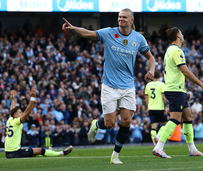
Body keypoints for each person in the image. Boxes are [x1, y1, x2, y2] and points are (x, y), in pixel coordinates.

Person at [62, 8, 155, 164]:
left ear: (132, 20)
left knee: (126, 121)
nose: (121, 19)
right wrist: (73, 28)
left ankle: (115, 156)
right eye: (119, 17)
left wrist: (151, 70)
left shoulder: (138, 38)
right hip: (110, 85)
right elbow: (87, 33)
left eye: (124, 17)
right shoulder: (109, 33)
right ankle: (96, 124)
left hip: (127, 86)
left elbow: (150, 57)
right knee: (110, 123)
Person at [153, 27, 203, 158]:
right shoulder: (176, 51)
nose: (182, 34)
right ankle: (159, 147)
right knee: (175, 119)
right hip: (175, 90)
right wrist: (201, 83)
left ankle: (192, 149)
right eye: (181, 32)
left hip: (177, 89)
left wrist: (184, 91)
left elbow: (175, 74)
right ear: (177, 35)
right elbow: (185, 71)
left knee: (187, 118)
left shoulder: (170, 50)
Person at [5, 88, 73, 159]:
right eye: (20, 112)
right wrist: (32, 98)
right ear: (15, 116)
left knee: (33, 151)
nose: (22, 113)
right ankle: (61, 153)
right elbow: (27, 113)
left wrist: (13, 99)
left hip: (8, 152)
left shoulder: (10, 120)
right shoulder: (16, 121)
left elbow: (11, 111)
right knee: (40, 150)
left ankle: (48, 152)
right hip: (15, 153)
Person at [145, 70, 167, 145]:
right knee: (166, 124)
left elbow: (146, 98)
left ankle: (155, 144)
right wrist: (165, 106)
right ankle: (158, 136)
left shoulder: (148, 85)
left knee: (153, 126)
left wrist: (147, 107)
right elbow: (164, 97)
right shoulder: (162, 85)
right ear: (160, 75)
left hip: (151, 108)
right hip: (160, 108)